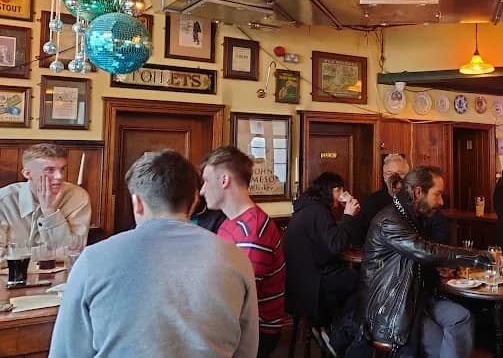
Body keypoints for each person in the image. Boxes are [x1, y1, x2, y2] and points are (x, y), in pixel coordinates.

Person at [50, 150, 259, 357]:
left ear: (137, 203)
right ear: (194, 201)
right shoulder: (236, 258)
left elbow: (65, 352)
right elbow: (247, 349)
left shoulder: (92, 260)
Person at [360, 165, 493, 358]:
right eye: (437, 194)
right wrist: (479, 257)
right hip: (391, 308)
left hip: (417, 297)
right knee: (444, 347)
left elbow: (420, 257)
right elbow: (426, 251)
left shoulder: (414, 216)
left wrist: (438, 268)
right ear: (418, 192)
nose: (441, 201)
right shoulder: (389, 221)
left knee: (461, 318)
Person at [201, 146, 287, 357]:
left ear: (224, 181)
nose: (202, 190)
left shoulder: (253, 231)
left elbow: (235, 300)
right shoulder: (230, 223)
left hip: (256, 332)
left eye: (205, 181)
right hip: (237, 323)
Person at [284, 172, 361, 331]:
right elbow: (336, 245)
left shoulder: (307, 208)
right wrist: (347, 216)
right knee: (361, 281)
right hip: (314, 286)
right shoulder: (318, 211)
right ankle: (341, 332)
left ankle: (337, 328)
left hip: (298, 284)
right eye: (338, 189)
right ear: (328, 190)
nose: (341, 194)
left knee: (351, 279)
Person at [0, 143, 90, 250]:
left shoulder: (77, 197)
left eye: (62, 169)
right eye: (50, 170)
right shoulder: (4, 200)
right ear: (27, 174)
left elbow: (72, 251)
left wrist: (50, 212)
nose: (59, 176)